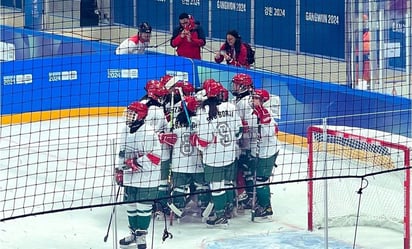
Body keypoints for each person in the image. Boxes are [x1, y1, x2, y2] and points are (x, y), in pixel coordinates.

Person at [191, 79, 242, 227]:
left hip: (214, 157)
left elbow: (204, 141)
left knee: (217, 187)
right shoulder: (231, 107)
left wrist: (194, 139)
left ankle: (220, 215)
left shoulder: (203, 112)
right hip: (230, 154)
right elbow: (239, 131)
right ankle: (229, 210)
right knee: (227, 184)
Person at [115, 101, 162, 249]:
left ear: (140, 116)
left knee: (143, 207)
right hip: (130, 176)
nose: (128, 116)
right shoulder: (125, 130)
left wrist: (135, 162)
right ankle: (133, 234)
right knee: (131, 206)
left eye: (131, 114)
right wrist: (119, 169)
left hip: (147, 178)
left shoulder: (148, 133)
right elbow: (122, 152)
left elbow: (155, 157)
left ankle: (141, 238)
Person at [249, 89, 279, 220]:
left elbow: (271, 132)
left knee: (261, 180)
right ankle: (261, 202)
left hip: (267, 152)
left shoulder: (267, 114)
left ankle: (266, 207)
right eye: (253, 98)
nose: (253, 100)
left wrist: (264, 122)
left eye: (256, 98)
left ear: (263, 100)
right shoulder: (254, 112)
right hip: (259, 151)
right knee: (257, 179)